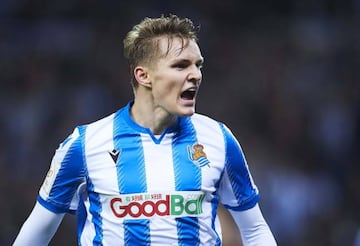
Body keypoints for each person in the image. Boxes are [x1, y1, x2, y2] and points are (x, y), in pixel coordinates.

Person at [13, 14, 277, 245]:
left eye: (198, 65)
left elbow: (254, 229)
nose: (195, 74)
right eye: (181, 65)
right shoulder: (84, 144)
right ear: (143, 76)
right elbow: (39, 230)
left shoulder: (218, 139)